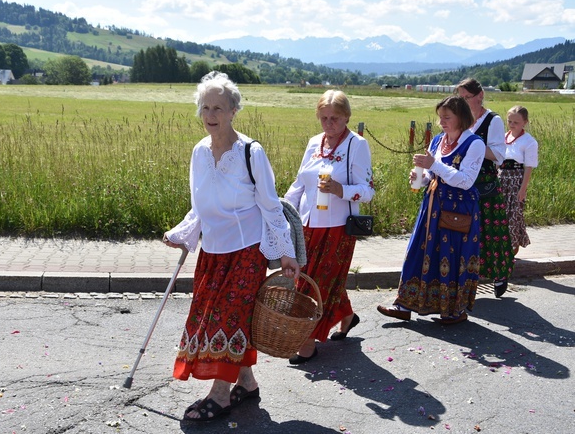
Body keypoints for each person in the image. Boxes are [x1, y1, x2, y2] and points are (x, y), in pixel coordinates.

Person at [162, 71, 300, 422]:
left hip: (245, 251)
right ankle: (247, 383)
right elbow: (199, 205)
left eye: (219, 108)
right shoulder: (198, 152)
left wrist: (286, 252)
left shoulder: (250, 152)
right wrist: (182, 234)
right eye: (205, 107)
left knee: (228, 318)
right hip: (212, 253)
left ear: (234, 111)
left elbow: (270, 206)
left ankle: (220, 395)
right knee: (216, 319)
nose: (211, 115)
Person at [284, 90, 374, 364]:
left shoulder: (357, 145)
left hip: (338, 229)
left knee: (315, 284)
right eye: (324, 118)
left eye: (335, 118)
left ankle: (307, 342)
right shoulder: (314, 142)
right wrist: (282, 211)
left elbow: (368, 191)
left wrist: (341, 190)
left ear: (346, 117)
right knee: (320, 278)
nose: (329, 124)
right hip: (308, 224)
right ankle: (347, 317)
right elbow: (300, 183)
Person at [377, 95, 485, 325]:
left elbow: (466, 181)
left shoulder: (474, 143)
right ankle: (404, 304)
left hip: (460, 208)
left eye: (447, 117)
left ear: (461, 117)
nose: (442, 122)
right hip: (433, 205)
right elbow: (432, 174)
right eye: (440, 117)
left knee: (453, 257)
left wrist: (433, 165)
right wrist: (422, 177)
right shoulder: (438, 140)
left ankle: (453, 310)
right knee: (419, 251)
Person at [456, 78, 514, 298]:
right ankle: (466, 277)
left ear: (480, 95)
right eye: (459, 98)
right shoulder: (460, 119)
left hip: (484, 183)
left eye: (466, 97)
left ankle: (499, 274)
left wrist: (474, 145)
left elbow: (499, 156)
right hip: (462, 183)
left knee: (491, 233)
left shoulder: (493, 120)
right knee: (464, 231)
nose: (462, 102)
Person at [499, 106, 538, 255]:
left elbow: (529, 167)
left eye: (516, 122)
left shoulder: (529, 142)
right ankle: (499, 249)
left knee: (513, 215)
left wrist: (523, 189)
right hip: (501, 178)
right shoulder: (503, 137)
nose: (512, 124)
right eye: (509, 121)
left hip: (515, 181)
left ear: (525, 122)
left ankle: (512, 249)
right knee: (500, 215)